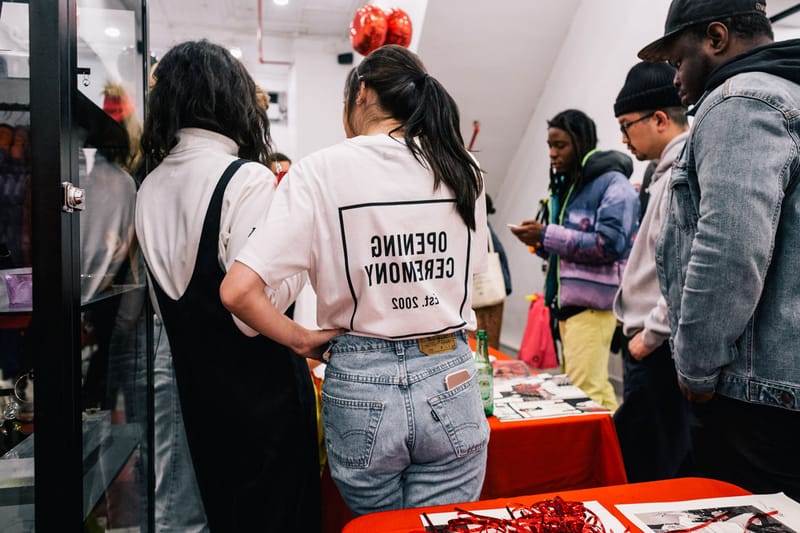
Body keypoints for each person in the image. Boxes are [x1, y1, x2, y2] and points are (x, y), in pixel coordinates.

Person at [220, 44, 490, 516]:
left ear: (361, 92)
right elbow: (475, 271)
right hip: (450, 376)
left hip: (362, 387)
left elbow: (238, 291)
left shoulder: (320, 171)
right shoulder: (462, 167)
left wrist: (301, 339)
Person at [135, 40, 327, 531]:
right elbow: (251, 314)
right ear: (232, 100)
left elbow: (163, 307)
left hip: (199, 398)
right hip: (264, 401)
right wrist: (303, 256)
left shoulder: (150, 185)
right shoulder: (246, 179)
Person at [639, 0, 800, 497]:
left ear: (715, 38)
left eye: (676, 61)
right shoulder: (788, 92)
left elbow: (730, 247)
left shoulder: (741, 101)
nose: (674, 80)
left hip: (758, 397)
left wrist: (697, 365)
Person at [510, 109, 639, 411]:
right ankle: (616, 450)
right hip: (566, 304)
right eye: (550, 146)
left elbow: (610, 245)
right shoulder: (569, 185)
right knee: (585, 389)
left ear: (580, 142)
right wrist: (538, 240)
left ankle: (613, 454)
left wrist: (548, 234)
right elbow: (568, 248)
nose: (553, 154)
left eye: (561, 145)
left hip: (594, 307)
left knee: (587, 389)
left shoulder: (613, 185)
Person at [610, 61, 692, 482]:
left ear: (659, 118)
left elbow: (687, 264)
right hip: (647, 341)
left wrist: (652, 333)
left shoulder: (681, 171)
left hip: (656, 347)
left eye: (628, 125)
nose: (624, 139)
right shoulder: (661, 172)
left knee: (646, 473)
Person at [470, 193, 512, 350]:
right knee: (489, 347)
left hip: (481, 298)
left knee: (480, 348)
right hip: (492, 294)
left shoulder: (478, 227)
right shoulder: (485, 227)